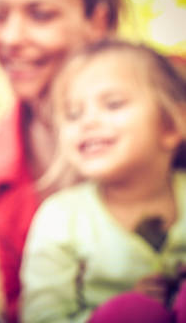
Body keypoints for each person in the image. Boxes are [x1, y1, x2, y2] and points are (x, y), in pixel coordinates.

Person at [0, 0, 124, 323]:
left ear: (97, 22)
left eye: (40, 15)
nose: (11, 37)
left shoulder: (171, 104)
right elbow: (24, 303)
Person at [20, 40, 186, 323]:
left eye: (113, 104)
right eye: (73, 114)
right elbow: (40, 316)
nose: (88, 121)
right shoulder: (61, 219)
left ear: (170, 124)